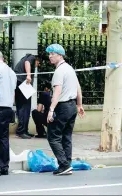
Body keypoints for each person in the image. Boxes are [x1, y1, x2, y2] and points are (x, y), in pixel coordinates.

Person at [45, 44, 85, 176]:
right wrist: (79, 104)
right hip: (72, 106)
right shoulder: (70, 69)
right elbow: (78, 87)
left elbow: (57, 91)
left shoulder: (59, 71)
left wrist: (51, 109)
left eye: (53, 54)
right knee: (66, 137)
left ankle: (64, 164)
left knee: (53, 137)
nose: (50, 56)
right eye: (49, 54)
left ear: (60, 55)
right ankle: (67, 164)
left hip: (62, 107)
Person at [14, 54, 40, 139]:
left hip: (20, 83)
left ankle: (23, 130)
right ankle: (21, 131)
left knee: (24, 107)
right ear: (36, 59)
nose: (38, 65)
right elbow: (27, 62)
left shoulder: (24, 58)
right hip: (22, 83)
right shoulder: (31, 57)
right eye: (38, 63)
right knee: (24, 108)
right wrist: (29, 75)